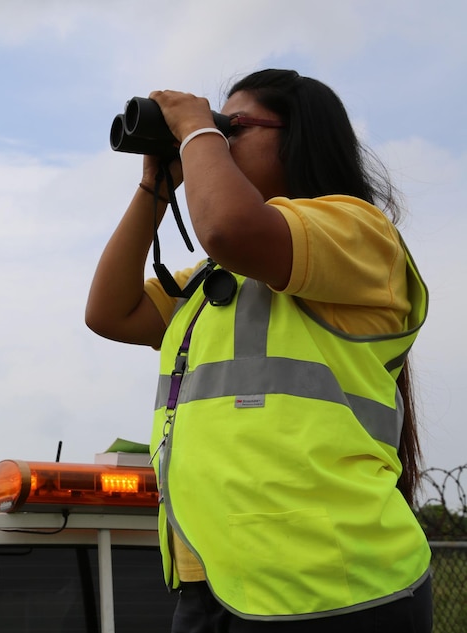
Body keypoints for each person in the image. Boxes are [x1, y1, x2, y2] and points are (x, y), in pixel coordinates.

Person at [85, 69, 432, 632]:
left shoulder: (361, 235)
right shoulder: (212, 282)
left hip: (333, 584)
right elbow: (109, 312)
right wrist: (155, 185)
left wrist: (197, 126)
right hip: (214, 581)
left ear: (298, 140)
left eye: (234, 127)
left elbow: (227, 227)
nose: (218, 139)